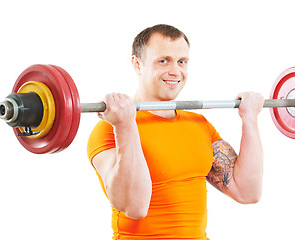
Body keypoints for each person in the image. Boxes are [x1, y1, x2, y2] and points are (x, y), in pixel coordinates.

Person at [87, 24, 264, 240]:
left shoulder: (199, 125)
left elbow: (247, 191)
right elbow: (134, 206)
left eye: (182, 62)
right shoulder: (109, 129)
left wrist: (250, 119)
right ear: (137, 64)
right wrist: (125, 125)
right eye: (164, 61)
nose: (175, 71)